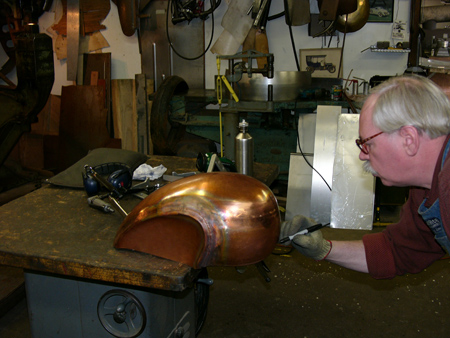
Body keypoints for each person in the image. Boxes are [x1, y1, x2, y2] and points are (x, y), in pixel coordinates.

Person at [280, 74, 450, 279]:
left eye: (367, 144)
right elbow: (397, 251)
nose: (362, 155)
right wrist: (322, 248)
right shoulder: (424, 190)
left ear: (409, 139)